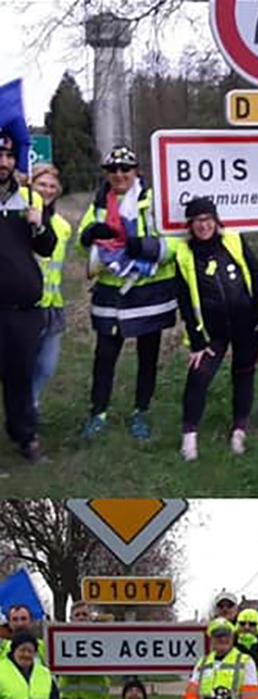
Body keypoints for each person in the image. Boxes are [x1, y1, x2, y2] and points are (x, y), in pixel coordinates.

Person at [77, 145, 178, 442]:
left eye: (125, 169)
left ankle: (140, 413)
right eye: (113, 170)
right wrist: (89, 236)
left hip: (150, 291)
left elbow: (175, 244)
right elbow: (85, 244)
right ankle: (98, 413)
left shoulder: (156, 200)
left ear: (137, 171)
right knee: (105, 355)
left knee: (148, 357)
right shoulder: (99, 200)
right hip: (111, 291)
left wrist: (143, 248)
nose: (119, 175)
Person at [171, 196, 258, 461]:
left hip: (247, 325)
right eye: (197, 221)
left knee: (243, 375)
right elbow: (184, 299)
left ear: (216, 221)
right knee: (198, 377)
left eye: (207, 219)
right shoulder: (184, 254)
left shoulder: (234, 240)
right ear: (190, 225)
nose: (203, 225)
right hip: (213, 333)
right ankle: (189, 439)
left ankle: (239, 432)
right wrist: (195, 342)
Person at [0, 128, 56, 463]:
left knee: (20, 377)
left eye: (8, 156)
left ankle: (26, 437)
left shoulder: (29, 199)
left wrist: (39, 224)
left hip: (22, 311)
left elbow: (46, 248)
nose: (3, 162)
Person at [26, 163, 69, 414]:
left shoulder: (63, 225)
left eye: (52, 186)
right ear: (31, 186)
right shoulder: (19, 218)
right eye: (42, 184)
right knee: (22, 363)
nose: (47, 190)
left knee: (47, 365)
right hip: (26, 304)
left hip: (53, 303)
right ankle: (26, 407)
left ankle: (30, 400)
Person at [183, 617, 258, 699]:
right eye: (218, 636)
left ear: (233, 638)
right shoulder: (203, 662)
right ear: (211, 639)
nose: (223, 639)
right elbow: (191, 695)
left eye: (227, 635)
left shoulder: (245, 662)